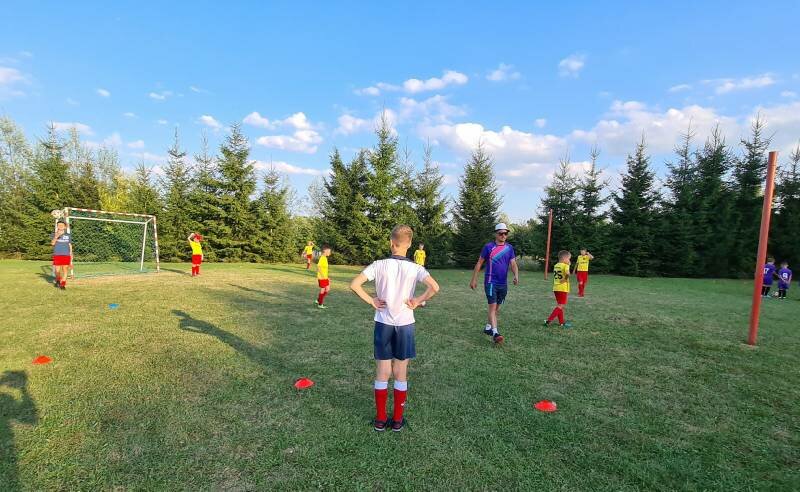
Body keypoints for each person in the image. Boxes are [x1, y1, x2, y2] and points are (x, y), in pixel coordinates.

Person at [350, 225, 440, 432]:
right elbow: (435, 287)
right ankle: (398, 420)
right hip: (405, 324)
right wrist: (418, 300)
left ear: (391, 243)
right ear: (410, 245)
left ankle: (381, 419)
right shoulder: (416, 268)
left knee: (383, 372)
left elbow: (355, 284)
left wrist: (371, 301)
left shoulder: (379, 265)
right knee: (401, 372)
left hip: (383, 324)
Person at [469, 223, 519, 344]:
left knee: (496, 308)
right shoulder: (488, 247)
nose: (503, 235)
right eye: (501, 233)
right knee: (492, 307)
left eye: (505, 233)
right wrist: (473, 279)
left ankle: (488, 327)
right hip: (491, 282)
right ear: (496, 234)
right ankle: (495, 333)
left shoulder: (509, 248)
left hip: (503, 284)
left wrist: (516, 275)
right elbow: (479, 263)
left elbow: (513, 263)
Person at [544, 250, 573, 328]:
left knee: (560, 305)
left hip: (556, 287)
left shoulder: (556, 265)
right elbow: (568, 274)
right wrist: (565, 279)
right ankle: (548, 320)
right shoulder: (565, 265)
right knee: (560, 305)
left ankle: (561, 323)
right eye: (569, 259)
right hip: (562, 288)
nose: (569, 260)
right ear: (564, 258)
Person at [50, 220, 72, 289]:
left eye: (62, 225)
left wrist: (71, 253)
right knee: (57, 270)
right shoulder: (54, 234)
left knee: (65, 269)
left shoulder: (68, 235)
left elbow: (70, 245)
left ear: (65, 227)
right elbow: (52, 243)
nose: (60, 226)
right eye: (59, 225)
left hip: (66, 254)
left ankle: (63, 284)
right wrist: (56, 236)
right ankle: (58, 280)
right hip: (57, 254)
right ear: (57, 226)